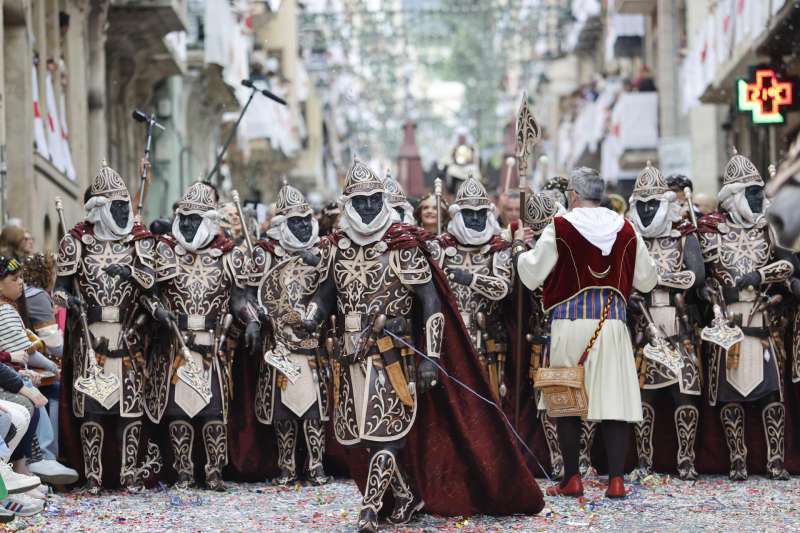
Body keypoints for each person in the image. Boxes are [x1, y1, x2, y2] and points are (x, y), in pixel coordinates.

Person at [514, 167, 658, 498]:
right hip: (611, 324)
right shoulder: (626, 227)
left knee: (567, 401)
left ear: (574, 196)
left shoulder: (560, 226)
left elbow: (533, 274)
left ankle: (572, 478)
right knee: (613, 401)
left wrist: (519, 249)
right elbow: (647, 281)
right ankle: (617, 481)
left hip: (568, 322)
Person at [146, 181, 261, 491]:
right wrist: (158, 311)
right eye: (183, 218)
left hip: (214, 343)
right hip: (176, 344)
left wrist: (251, 321)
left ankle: (213, 472)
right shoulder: (165, 251)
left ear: (208, 220)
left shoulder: (227, 254)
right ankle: (183, 471)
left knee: (213, 411)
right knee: (178, 411)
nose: (187, 224)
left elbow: (240, 299)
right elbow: (149, 293)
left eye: (194, 219)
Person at [54, 161, 157, 493]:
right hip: (91, 335)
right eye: (117, 207)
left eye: (125, 205)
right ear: (99, 208)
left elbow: (151, 284)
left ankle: (129, 473)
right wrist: (70, 302)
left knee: (130, 408)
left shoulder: (137, 241)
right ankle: (94, 476)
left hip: (128, 335)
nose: (124, 212)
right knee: (94, 411)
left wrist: (129, 273)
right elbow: (59, 289)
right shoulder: (76, 242)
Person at [697, 150, 795, 480]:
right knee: (730, 395)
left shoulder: (769, 229)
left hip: (763, 322)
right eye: (751, 193)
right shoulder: (708, 231)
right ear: (734, 197)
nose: (757, 198)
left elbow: (791, 264)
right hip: (728, 325)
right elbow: (701, 278)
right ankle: (737, 459)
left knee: (771, 393)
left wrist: (762, 276)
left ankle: (775, 460)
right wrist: (707, 292)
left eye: (759, 191)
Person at [249, 183, 331, 486]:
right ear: (282, 224)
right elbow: (247, 292)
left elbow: (333, 292)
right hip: (278, 342)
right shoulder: (264, 254)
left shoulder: (324, 251)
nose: (299, 227)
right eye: (293, 222)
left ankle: (316, 464)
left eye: (303, 221)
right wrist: (254, 317)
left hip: (313, 343)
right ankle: (286, 466)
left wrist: (320, 264)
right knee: (282, 409)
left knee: (314, 409)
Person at [627, 163, 704, 479]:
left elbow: (695, 277)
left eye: (652, 204)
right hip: (640, 329)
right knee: (642, 398)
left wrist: (653, 280)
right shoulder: (627, 236)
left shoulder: (684, 235)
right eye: (641, 205)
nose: (646, 211)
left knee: (684, 394)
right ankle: (644, 460)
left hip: (677, 324)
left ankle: (686, 460)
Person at [429, 176, 511, 398]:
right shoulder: (440, 247)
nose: (475, 219)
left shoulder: (498, 249)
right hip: (451, 335)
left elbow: (502, 288)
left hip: (487, 338)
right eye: (469, 213)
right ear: (458, 214)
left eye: (480, 214)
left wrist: (471, 279)